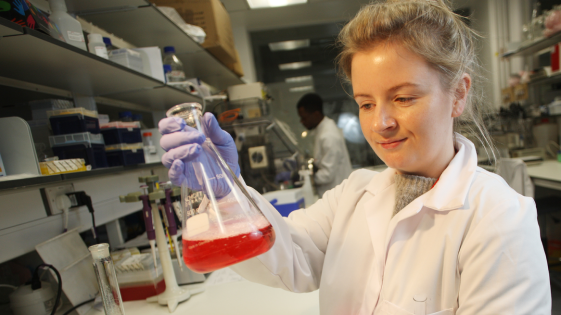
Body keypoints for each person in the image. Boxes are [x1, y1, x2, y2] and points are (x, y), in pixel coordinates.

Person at [159, 0, 551, 313]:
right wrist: (225, 191)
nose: (380, 123)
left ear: (459, 94)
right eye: (365, 103)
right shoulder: (355, 193)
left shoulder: (499, 219)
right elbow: (290, 260)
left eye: (403, 98)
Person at [297, 93, 353, 196]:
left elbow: (327, 175)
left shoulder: (328, 136)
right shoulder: (322, 131)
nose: (302, 122)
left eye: (304, 118)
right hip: (333, 194)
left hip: (338, 195)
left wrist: (305, 178)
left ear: (316, 114)